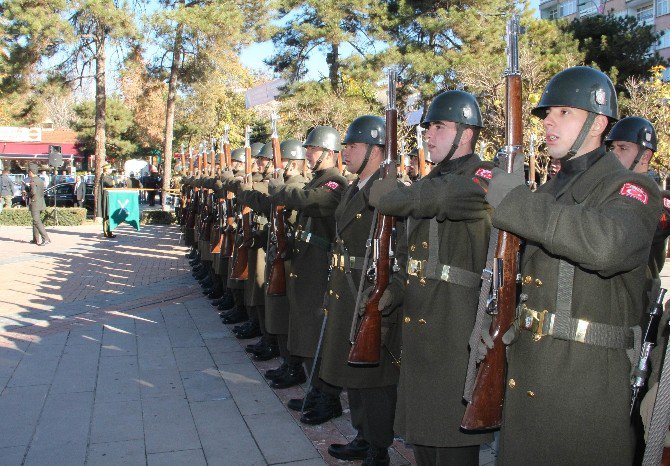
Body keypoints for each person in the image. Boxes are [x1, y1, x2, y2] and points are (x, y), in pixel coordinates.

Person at [484, 66, 661, 465]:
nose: (548, 120)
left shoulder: (631, 187)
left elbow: (608, 247)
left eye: (564, 111)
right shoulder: (548, 189)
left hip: (583, 384)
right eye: (547, 113)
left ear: (599, 123)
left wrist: (515, 202)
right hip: (529, 367)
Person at [369, 90, 494, 465]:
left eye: (439, 126)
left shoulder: (486, 175)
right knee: (424, 438)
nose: (429, 134)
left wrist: (390, 184)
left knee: (451, 442)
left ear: (466, 132)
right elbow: (410, 253)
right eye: (428, 127)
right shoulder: (432, 180)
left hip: (456, 329)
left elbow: (394, 198)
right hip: (423, 321)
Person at [319, 115, 406, 466]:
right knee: (352, 369)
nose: (346, 151)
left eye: (353, 146)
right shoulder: (356, 187)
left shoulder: (391, 189)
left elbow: (400, 248)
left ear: (375, 150)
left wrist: (385, 292)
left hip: (370, 289)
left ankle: (379, 446)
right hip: (347, 288)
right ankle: (362, 434)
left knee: (375, 376)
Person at [269, 126, 347, 425]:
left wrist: (279, 188)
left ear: (328, 152)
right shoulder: (319, 179)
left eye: (313, 149)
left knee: (318, 333)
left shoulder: (334, 182)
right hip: (306, 263)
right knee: (306, 329)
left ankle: (328, 398)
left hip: (320, 266)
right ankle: (316, 390)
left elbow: (310, 201)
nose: (308, 153)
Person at [26, 164, 51, 246]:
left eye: (28, 171)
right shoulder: (40, 180)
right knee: (35, 221)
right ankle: (35, 239)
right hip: (41, 203)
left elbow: (33, 192)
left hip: (35, 203)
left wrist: (27, 191)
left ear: (30, 172)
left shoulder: (33, 180)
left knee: (37, 221)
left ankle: (46, 238)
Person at [98, 164, 116, 238]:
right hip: (106, 197)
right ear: (106, 170)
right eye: (109, 169)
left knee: (109, 215)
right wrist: (116, 180)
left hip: (108, 196)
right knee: (107, 215)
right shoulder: (105, 177)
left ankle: (109, 231)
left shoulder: (105, 176)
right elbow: (110, 183)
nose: (110, 171)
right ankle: (107, 231)